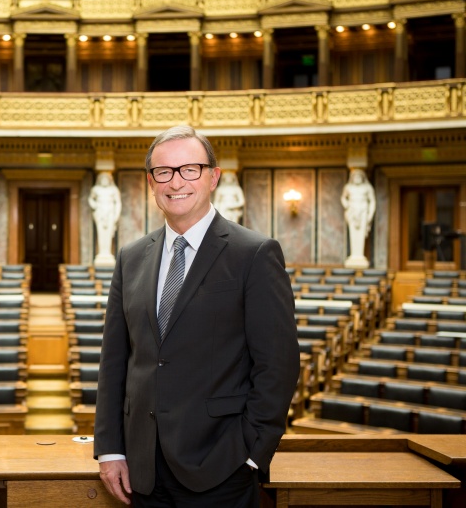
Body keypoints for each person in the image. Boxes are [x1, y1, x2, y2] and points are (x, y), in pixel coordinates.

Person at [95, 125, 299, 507]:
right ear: (152, 183)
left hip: (221, 468)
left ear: (213, 177)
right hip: (142, 471)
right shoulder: (131, 257)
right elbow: (115, 362)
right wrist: (110, 450)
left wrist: (251, 454)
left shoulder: (254, 254)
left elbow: (278, 365)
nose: (176, 182)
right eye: (164, 172)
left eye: (190, 169)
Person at [340, 168, 376, 268]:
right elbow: (343, 198)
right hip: (352, 211)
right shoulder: (348, 187)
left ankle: (359, 256)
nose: (357, 178)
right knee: (353, 234)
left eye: (359, 176)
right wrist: (347, 205)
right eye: (355, 176)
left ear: (363, 177)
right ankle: (354, 256)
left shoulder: (367, 187)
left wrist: (370, 215)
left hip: (363, 210)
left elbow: (372, 201)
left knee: (361, 234)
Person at [88, 172, 122, 265]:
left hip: (110, 213)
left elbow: (118, 203)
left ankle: (107, 253)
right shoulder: (96, 189)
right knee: (101, 233)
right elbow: (91, 199)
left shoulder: (114, 190)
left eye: (106, 179)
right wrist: (94, 205)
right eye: (102, 179)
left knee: (108, 234)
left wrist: (116, 215)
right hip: (100, 213)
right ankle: (101, 253)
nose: (104, 181)